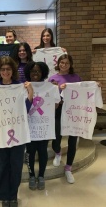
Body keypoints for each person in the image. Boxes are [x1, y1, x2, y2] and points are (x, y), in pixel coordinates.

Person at [0, 56, 33, 207]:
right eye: (3, 69)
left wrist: (30, 90)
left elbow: (27, 107)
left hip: (17, 133)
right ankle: (4, 196)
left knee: (16, 166)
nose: (5, 72)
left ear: (13, 71)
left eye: (8, 69)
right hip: (0, 133)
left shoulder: (20, 86)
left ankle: (13, 196)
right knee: (2, 166)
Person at [24, 61, 60, 190]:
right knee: (30, 153)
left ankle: (41, 176)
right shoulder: (24, 86)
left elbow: (55, 105)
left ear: (43, 73)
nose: (35, 73)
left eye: (38, 71)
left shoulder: (50, 87)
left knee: (43, 152)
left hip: (44, 126)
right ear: (29, 72)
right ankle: (32, 175)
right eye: (33, 71)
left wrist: (54, 89)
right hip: (29, 126)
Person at [48, 54, 81, 184]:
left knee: (73, 140)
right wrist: (56, 88)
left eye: (67, 63)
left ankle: (68, 168)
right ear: (58, 63)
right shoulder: (53, 78)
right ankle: (57, 152)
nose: (64, 65)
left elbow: (83, 92)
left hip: (73, 111)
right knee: (56, 137)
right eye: (62, 62)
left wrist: (95, 85)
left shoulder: (76, 77)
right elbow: (48, 96)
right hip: (58, 111)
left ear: (70, 64)